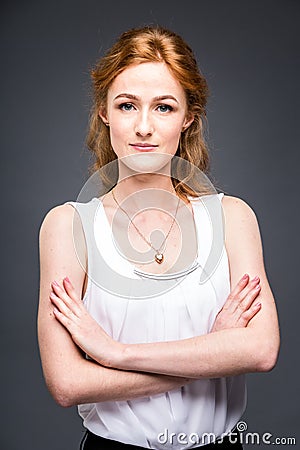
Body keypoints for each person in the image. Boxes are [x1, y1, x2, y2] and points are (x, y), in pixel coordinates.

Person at [37, 26, 280, 450]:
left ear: (188, 117)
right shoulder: (67, 226)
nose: (144, 127)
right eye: (127, 105)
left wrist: (116, 354)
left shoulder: (232, 217)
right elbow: (67, 383)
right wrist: (213, 352)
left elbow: (260, 350)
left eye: (164, 107)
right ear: (104, 113)